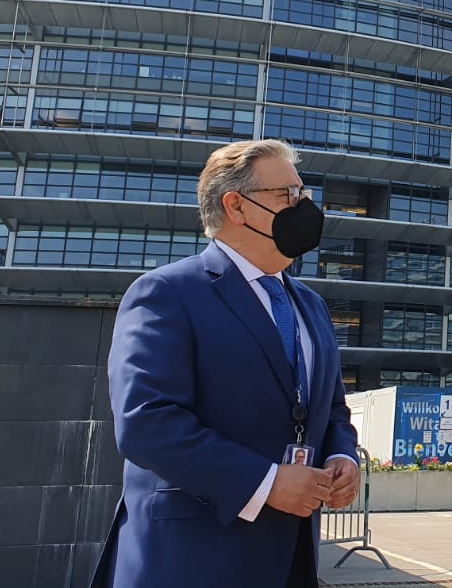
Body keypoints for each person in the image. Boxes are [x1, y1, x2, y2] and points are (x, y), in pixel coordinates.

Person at [91, 139, 360, 588]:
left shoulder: (311, 305)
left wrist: (341, 455)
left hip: (291, 558)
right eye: (288, 196)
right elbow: (147, 422)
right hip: (190, 561)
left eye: (304, 194)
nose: (304, 207)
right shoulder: (166, 293)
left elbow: (330, 408)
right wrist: (267, 482)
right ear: (236, 206)